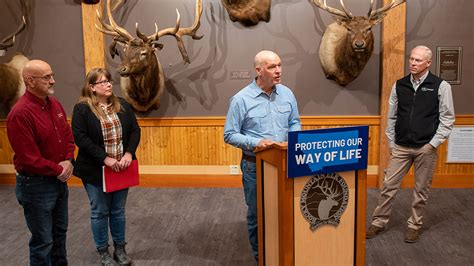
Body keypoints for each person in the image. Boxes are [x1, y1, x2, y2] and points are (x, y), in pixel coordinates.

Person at [366, 45, 455, 243]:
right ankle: (379, 222)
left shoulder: (440, 86)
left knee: (421, 189)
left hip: (425, 147)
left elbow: (448, 118)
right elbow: (391, 116)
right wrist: (391, 141)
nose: (413, 63)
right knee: (389, 185)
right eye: (411, 59)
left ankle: (414, 225)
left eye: (418, 60)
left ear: (428, 63)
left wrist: (432, 144)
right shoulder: (400, 85)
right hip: (401, 146)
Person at [223, 50, 301, 261]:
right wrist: (258, 143)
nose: (278, 71)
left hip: (286, 163)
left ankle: (284, 254)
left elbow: (294, 121)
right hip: (255, 166)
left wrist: (293, 138)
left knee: (286, 211)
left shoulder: (287, 94)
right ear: (258, 70)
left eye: (279, 65)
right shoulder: (241, 99)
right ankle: (262, 258)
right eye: (272, 67)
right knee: (258, 216)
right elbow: (229, 135)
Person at [7, 59, 75, 265]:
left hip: (58, 180)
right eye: (47, 77)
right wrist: (59, 169)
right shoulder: (20, 114)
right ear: (30, 81)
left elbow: (67, 136)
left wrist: (69, 160)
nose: (53, 80)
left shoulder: (54, 104)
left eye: (52, 75)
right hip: (36, 186)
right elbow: (29, 159)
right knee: (43, 241)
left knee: (59, 234)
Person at [71, 68, 140, 266]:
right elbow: (80, 138)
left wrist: (128, 153)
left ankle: (120, 249)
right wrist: (105, 158)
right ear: (92, 87)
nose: (108, 84)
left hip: (121, 167)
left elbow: (135, 131)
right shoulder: (82, 109)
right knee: (100, 211)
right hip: (95, 170)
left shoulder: (123, 105)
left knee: (118, 210)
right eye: (102, 82)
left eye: (109, 81)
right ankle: (103, 251)